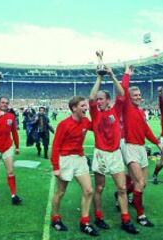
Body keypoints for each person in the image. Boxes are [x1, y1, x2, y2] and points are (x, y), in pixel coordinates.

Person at [89, 65, 138, 234]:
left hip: (115, 154)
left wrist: (112, 75)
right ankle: (98, 216)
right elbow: (91, 97)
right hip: (100, 154)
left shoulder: (116, 111)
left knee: (122, 188)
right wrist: (100, 78)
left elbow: (123, 94)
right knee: (100, 188)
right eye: (98, 99)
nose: (99, 101)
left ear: (108, 100)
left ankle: (125, 220)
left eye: (102, 99)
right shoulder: (95, 113)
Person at [121, 66, 163, 227]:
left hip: (141, 148)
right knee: (139, 182)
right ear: (130, 97)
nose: (138, 97)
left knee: (142, 183)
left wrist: (157, 143)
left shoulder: (140, 111)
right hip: (130, 147)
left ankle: (123, 194)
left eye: (140, 95)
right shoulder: (126, 107)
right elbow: (123, 90)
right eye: (135, 95)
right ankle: (140, 215)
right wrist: (127, 75)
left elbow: (146, 130)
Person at [50, 96, 99, 237]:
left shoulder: (85, 121)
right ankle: (55, 218)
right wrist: (55, 166)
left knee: (89, 190)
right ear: (74, 108)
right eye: (83, 105)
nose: (86, 108)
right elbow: (55, 146)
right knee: (60, 192)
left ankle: (85, 222)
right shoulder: (64, 124)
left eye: (86, 105)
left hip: (80, 159)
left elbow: (97, 126)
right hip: (65, 159)